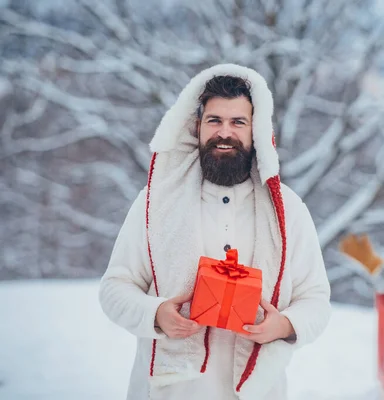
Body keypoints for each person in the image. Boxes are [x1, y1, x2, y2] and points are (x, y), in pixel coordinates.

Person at [99, 64, 331, 400]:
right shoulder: (155, 201)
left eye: (238, 122)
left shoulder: (288, 210)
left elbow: (316, 300)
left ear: (257, 131)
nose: (225, 132)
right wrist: (156, 314)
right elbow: (113, 289)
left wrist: (284, 326)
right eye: (214, 121)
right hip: (169, 391)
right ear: (197, 126)